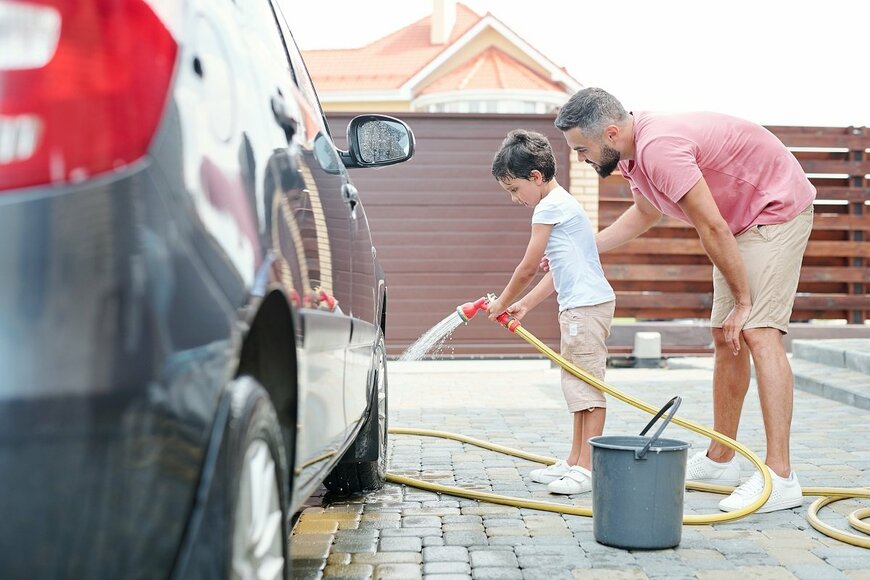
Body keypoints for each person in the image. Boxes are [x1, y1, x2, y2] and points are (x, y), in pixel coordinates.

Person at [554, 87, 815, 513]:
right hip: (740, 222)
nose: (582, 158)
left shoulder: (659, 149)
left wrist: (745, 302)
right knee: (724, 334)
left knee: (758, 331)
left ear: (613, 133)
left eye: (583, 149)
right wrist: (585, 248)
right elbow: (645, 213)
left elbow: (711, 226)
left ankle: (781, 477)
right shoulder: (631, 155)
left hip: (775, 208)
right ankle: (722, 458)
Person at [486, 129, 616, 495]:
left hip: (586, 308)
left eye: (514, 190)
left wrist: (501, 300)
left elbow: (527, 267)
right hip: (579, 307)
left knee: (588, 388)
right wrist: (524, 303)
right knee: (576, 386)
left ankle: (587, 468)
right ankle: (575, 460)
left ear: (536, 178)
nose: (515, 199)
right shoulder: (560, 205)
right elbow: (557, 271)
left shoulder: (550, 207)